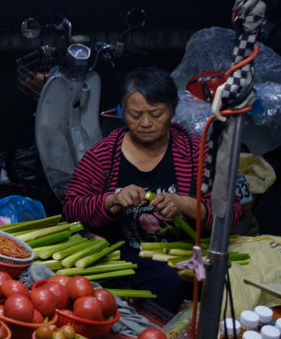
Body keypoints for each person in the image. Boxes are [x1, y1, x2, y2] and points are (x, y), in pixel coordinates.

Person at [62, 66, 243, 311]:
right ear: (122, 110)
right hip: (120, 256)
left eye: (156, 114)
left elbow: (230, 213)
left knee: (189, 281)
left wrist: (185, 204)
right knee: (158, 281)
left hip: (182, 255)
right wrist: (111, 201)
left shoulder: (197, 153)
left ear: (172, 111)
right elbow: (71, 208)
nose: (145, 123)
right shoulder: (104, 155)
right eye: (135, 115)